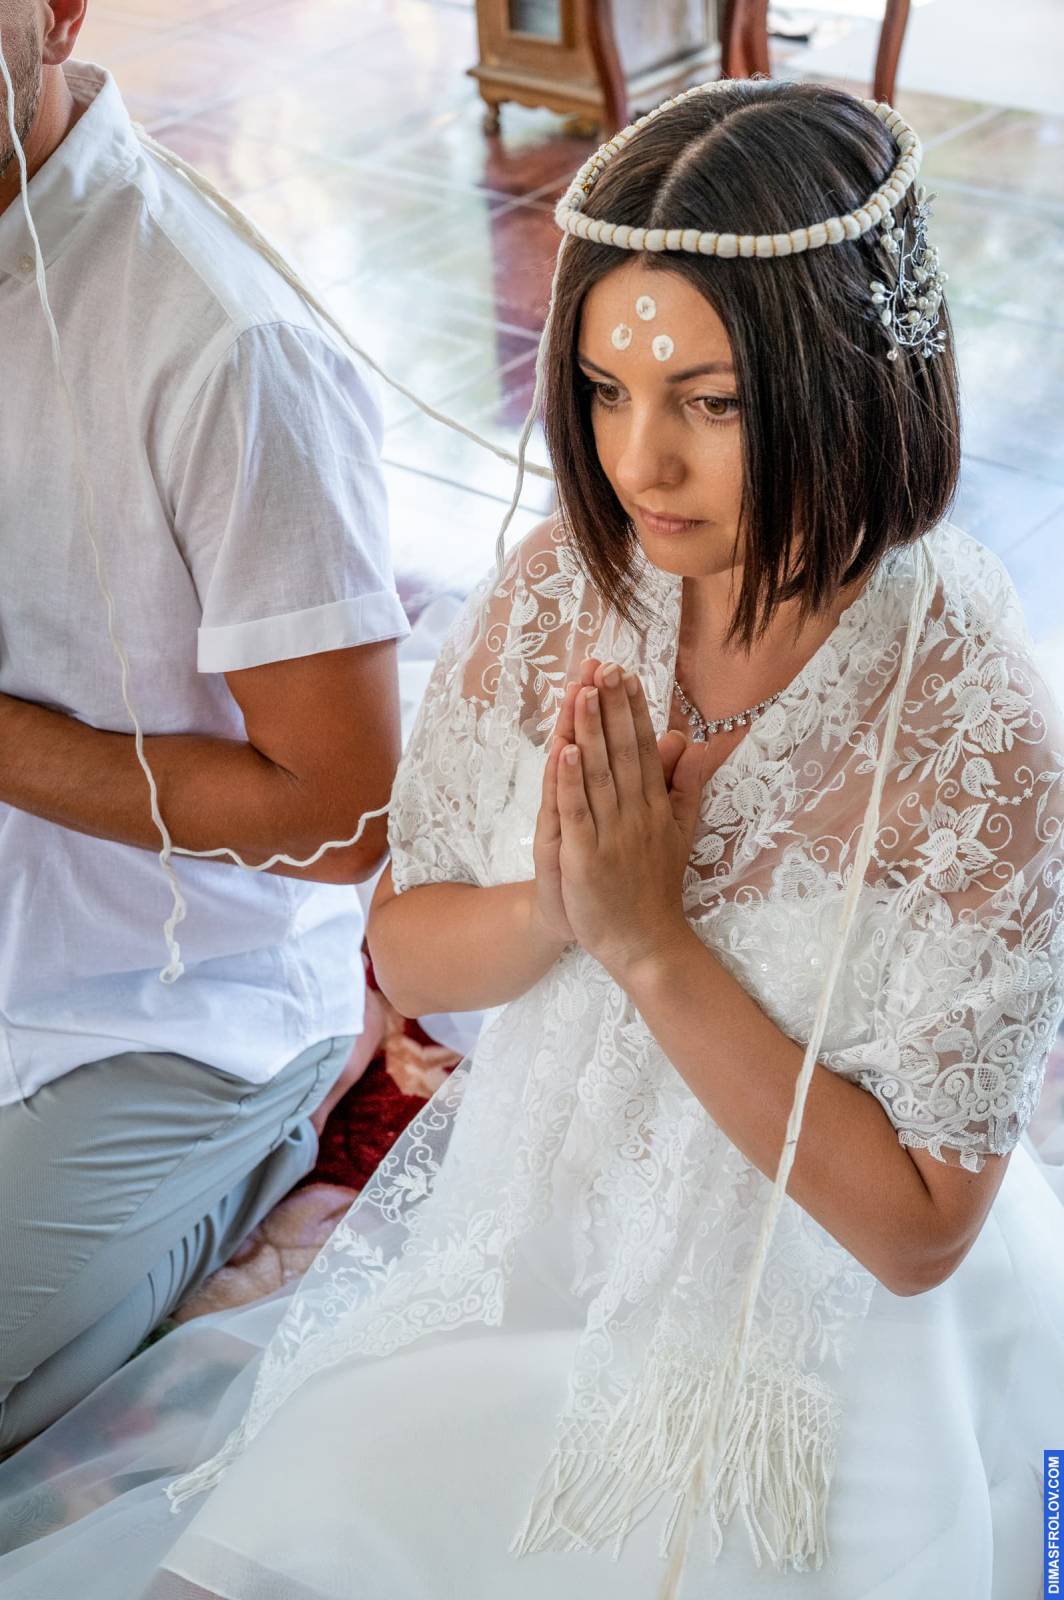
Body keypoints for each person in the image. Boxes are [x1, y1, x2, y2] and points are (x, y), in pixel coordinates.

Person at [1, 76, 1063, 1600]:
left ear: (851, 379)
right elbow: (402, 943)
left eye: (710, 403)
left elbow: (917, 1237)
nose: (641, 465)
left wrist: (652, 945)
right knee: (286, 1537)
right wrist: (558, 912)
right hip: (551, 1232)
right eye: (606, 391)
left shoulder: (979, 733)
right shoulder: (576, 584)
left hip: (811, 1342)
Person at [0, 0, 409, 1455]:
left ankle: (272, 1141)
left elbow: (345, 816)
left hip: (165, 1010)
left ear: (56, 13)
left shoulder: (225, 344)